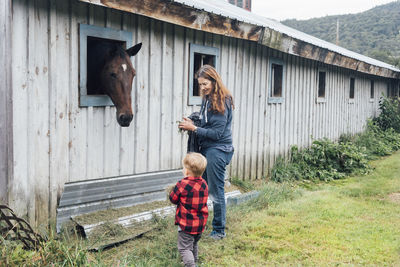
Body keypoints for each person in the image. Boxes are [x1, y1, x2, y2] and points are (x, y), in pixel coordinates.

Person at [179, 64, 234, 240]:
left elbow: (217, 133)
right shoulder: (208, 98)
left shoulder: (222, 100)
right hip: (207, 149)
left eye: (205, 84)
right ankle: (198, 224)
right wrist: (193, 122)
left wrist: (193, 128)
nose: (202, 88)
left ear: (214, 80)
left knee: (216, 191)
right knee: (202, 188)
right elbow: (206, 123)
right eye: (200, 85)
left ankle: (219, 230)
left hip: (218, 151)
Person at [169, 152, 209, 267]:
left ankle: (191, 265)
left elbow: (173, 199)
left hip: (186, 224)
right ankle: (193, 262)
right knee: (194, 244)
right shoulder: (204, 184)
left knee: (184, 248)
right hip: (200, 223)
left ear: (186, 171)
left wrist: (172, 192)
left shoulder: (182, 184)